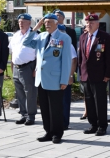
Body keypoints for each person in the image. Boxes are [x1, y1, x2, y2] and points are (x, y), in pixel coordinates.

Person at [23, 13, 72, 144]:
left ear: (56, 23)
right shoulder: (41, 36)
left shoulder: (64, 38)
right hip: (41, 79)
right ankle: (48, 132)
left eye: (50, 21)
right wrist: (35, 27)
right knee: (44, 108)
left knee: (55, 108)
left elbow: (66, 60)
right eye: (45, 22)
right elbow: (26, 42)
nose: (47, 24)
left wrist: (64, 80)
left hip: (55, 79)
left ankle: (57, 133)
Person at [78, 14, 110, 136]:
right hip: (85, 75)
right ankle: (93, 124)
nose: (89, 25)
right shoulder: (83, 37)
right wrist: (80, 73)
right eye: (87, 23)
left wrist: (107, 74)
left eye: (92, 23)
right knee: (89, 101)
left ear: (98, 24)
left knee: (100, 101)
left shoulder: (105, 37)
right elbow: (81, 58)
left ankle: (102, 126)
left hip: (100, 75)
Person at [9, 13, 37, 126]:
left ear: (29, 23)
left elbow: (39, 54)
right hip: (16, 67)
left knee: (30, 93)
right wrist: (12, 65)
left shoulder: (34, 35)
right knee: (19, 93)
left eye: (23, 21)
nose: (20, 23)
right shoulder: (15, 35)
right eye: (19, 22)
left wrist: (36, 69)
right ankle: (23, 114)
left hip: (28, 67)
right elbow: (12, 52)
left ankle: (31, 116)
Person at [57, 24, 78, 130]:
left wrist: (70, 75)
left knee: (64, 100)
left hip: (65, 76)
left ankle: (64, 123)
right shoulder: (55, 43)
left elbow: (74, 60)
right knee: (57, 101)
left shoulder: (68, 44)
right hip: (55, 76)